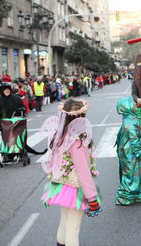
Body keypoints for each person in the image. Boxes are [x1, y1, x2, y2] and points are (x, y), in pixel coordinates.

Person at [40, 99, 101, 246]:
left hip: (62, 186)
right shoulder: (77, 141)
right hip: (76, 189)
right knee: (73, 227)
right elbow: (83, 172)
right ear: (81, 117)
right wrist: (92, 198)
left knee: (64, 223)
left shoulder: (59, 135)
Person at [115, 97, 141, 205]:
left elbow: (137, 135)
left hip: (127, 151)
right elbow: (134, 139)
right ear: (128, 107)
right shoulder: (131, 121)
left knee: (134, 174)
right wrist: (139, 153)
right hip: (130, 153)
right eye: (134, 105)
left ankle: (139, 194)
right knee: (131, 174)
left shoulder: (129, 118)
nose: (137, 106)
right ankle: (125, 196)